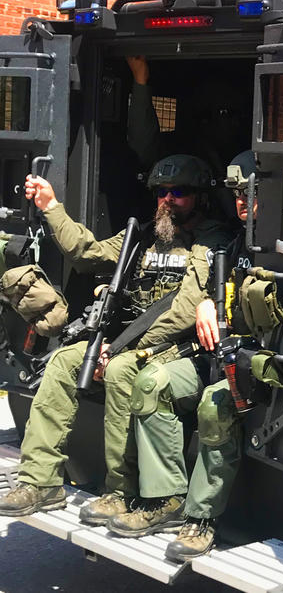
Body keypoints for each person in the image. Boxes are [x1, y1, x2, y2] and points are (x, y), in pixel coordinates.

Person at [0, 155, 231, 526]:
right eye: (161, 192)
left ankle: (120, 492)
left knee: (122, 369)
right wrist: (51, 207)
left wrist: (121, 346)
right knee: (62, 362)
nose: (168, 199)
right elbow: (87, 252)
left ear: (201, 197)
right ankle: (40, 481)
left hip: (172, 348)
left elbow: (186, 309)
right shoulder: (142, 235)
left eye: (180, 192)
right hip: (126, 340)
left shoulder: (211, 240)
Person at [110, 151, 283, 557]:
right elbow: (210, 289)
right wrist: (207, 303)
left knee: (213, 406)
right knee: (151, 383)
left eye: (251, 194)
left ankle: (201, 519)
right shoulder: (233, 240)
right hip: (218, 359)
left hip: (260, 369)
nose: (243, 203)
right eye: (237, 195)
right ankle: (167, 497)